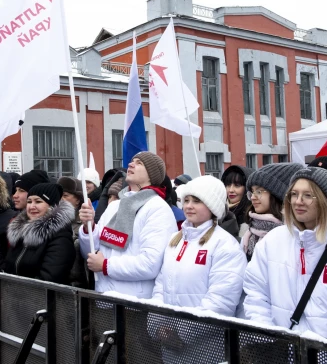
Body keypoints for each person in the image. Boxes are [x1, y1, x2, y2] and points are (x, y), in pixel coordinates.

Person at [243, 167, 327, 340]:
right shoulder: (272, 241)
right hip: (281, 353)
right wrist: (269, 338)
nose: (298, 201)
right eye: (294, 194)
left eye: (308, 195)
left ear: (325, 201)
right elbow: (256, 295)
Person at [149, 176, 246, 364]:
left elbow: (222, 301)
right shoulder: (174, 240)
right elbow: (160, 286)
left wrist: (182, 334)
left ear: (213, 207)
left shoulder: (225, 245)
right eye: (186, 200)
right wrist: (158, 326)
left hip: (207, 350)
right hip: (169, 348)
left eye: (197, 201)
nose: (188, 206)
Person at [78, 151, 177, 298]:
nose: (131, 164)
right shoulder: (115, 206)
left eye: (139, 163)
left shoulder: (158, 209)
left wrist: (106, 266)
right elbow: (92, 251)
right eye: (132, 161)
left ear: (151, 174)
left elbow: (151, 264)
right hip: (103, 297)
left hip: (134, 303)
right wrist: (89, 227)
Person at [4, 183, 76, 284]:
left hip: (41, 297)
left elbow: (50, 277)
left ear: (52, 206)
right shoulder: (20, 230)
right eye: (29, 201)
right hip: (14, 295)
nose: (32, 206)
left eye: (38, 201)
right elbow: (8, 266)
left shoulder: (60, 236)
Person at [242, 163, 303, 261]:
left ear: (278, 194)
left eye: (259, 192)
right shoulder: (249, 233)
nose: (253, 197)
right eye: (252, 192)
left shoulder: (294, 234)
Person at [58, 176, 89, 288]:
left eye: (65, 195)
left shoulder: (86, 225)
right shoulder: (53, 221)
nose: (61, 199)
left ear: (78, 199)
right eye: (59, 195)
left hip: (77, 286)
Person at [221, 165, 254, 240]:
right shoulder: (218, 213)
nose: (231, 190)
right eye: (228, 185)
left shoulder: (253, 218)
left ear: (247, 189)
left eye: (237, 185)